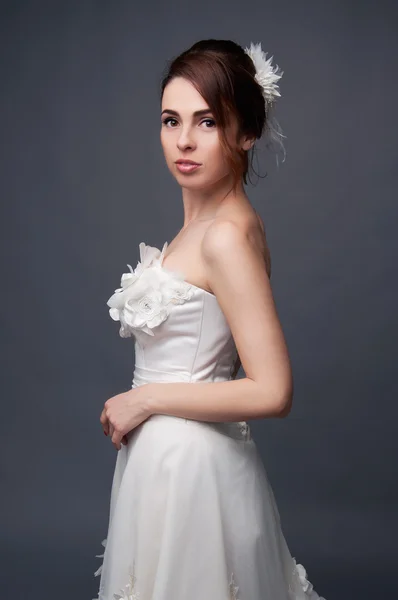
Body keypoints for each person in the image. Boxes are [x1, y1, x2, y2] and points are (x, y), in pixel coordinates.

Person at [93, 39, 326, 600]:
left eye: (208, 122)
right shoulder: (210, 226)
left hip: (194, 470)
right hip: (168, 464)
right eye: (172, 120)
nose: (185, 141)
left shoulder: (225, 236)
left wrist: (144, 399)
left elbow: (273, 390)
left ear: (246, 134)